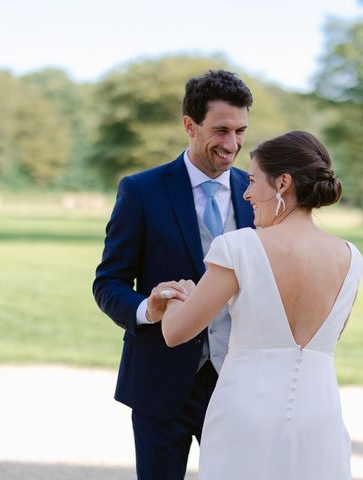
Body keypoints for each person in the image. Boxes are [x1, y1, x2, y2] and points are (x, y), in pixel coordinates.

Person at [160, 131, 363, 479]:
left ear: (283, 183)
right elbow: (330, 336)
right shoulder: (350, 257)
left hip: (247, 413)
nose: (247, 193)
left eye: (253, 181)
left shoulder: (239, 247)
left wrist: (177, 296)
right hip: (320, 416)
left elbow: (176, 333)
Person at [92, 70, 254, 480]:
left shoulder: (259, 194)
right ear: (189, 125)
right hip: (160, 381)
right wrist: (149, 307)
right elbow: (108, 282)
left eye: (240, 131)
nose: (232, 144)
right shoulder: (141, 190)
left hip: (238, 380)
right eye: (220, 130)